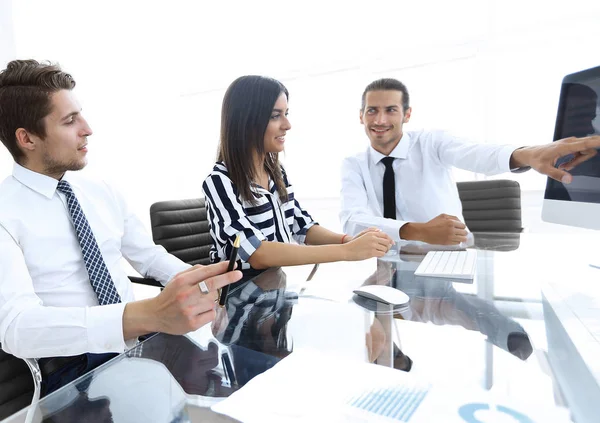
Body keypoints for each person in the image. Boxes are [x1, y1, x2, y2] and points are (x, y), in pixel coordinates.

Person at [0, 60, 242, 395]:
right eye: (70, 121)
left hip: (142, 342)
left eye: (80, 114)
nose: (87, 128)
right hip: (75, 368)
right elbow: (17, 328)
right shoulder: (4, 213)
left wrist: (202, 287)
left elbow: (150, 258)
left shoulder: (100, 190)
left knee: (234, 383)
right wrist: (145, 315)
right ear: (27, 138)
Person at [340, 78, 600, 245]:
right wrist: (416, 230)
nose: (380, 120)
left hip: (446, 257)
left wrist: (526, 155)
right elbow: (353, 220)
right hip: (382, 264)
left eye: (391, 110)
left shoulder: (432, 142)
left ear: (407, 115)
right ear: (361, 116)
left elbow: (477, 153)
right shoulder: (354, 164)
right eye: (372, 110)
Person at [202, 75, 394, 278]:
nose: (287, 124)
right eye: (275, 116)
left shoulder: (276, 172)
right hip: (240, 299)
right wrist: (347, 252)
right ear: (247, 120)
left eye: (286, 113)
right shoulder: (219, 182)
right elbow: (255, 252)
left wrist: (347, 240)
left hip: (275, 288)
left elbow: (300, 225)